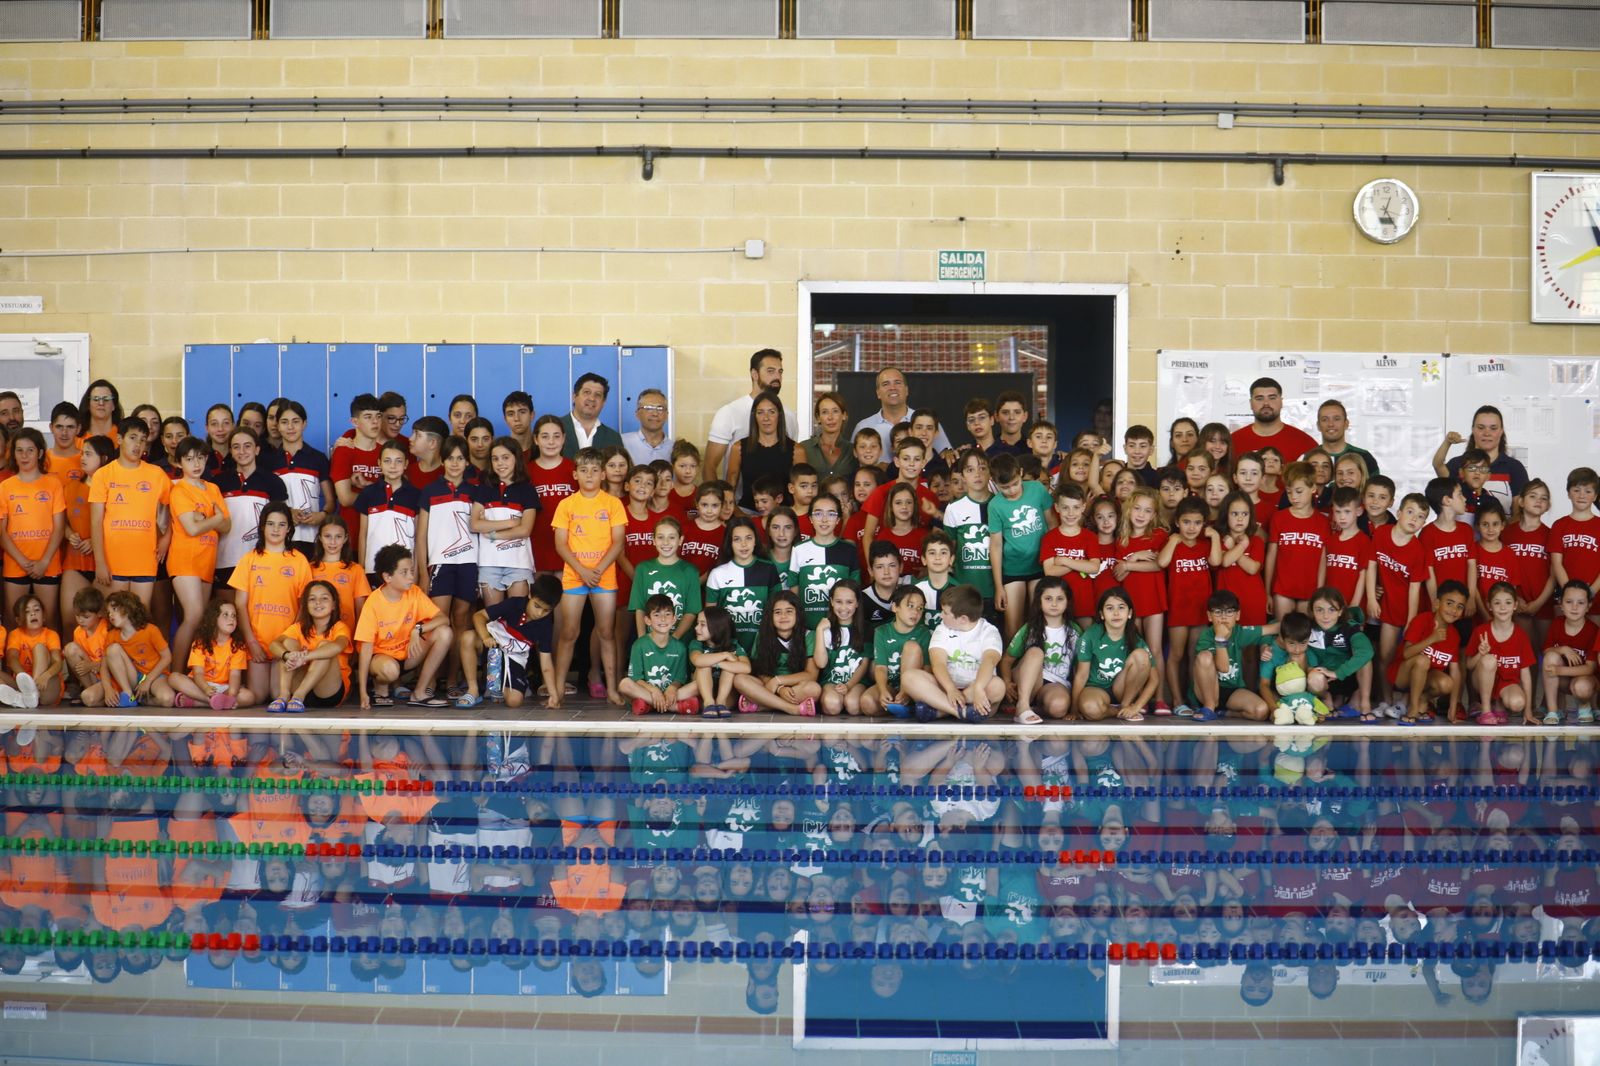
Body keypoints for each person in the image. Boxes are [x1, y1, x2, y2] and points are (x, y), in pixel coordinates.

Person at [549, 447, 627, 707]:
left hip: (604, 577)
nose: (590, 475)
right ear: (575, 474)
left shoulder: (613, 503)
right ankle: (557, 690)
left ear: (603, 474)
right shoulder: (566, 505)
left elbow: (617, 543)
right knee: (569, 632)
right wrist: (582, 571)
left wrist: (597, 570)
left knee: (606, 632)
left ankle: (613, 689)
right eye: (584, 470)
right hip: (574, 577)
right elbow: (561, 544)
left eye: (595, 470)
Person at [227, 501, 311, 699]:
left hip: (284, 643)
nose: (275, 529)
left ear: (289, 529)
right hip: (257, 641)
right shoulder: (250, 559)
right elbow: (240, 603)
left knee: (277, 695)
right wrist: (251, 641)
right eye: (271, 524)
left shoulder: (298, 560)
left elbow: (303, 605)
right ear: (262, 527)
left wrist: (289, 642)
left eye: (281, 524)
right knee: (257, 696)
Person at [354, 543, 453, 709]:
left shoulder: (414, 592)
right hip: (381, 660)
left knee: (445, 633)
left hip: (408, 655)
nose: (411, 577)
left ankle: (419, 693)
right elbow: (365, 649)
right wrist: (363, 692)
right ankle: (380, 686)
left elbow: (443, 619)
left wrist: (418, 628)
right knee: (390, 670)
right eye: (404, 572)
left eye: (411, 571)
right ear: (387, 577)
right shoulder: (373, 602)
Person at [87, 417, 171, 608]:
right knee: (113, 618)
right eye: (133, 437)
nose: (138, 444)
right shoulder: (103, 475)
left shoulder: (156, 474)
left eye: (142, 439)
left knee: (138, 618)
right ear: (119, 439)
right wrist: (100, 562)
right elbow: (95, 522)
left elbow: (176, 507)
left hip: (145, 561)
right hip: (113, 562)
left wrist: (166, 538)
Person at [900, 583, 1005, 722]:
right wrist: (950, 689)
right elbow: (938, 663)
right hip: (945, 688)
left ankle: (939, 711)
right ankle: (960, 712)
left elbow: (989, 661)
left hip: (975, 690)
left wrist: (979, 688)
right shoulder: (942, 628)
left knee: (998, 686)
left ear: (963, 619)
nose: (941, 615)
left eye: (945, 612)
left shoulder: (989, 631)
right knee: (909, 677)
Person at [457, 572, 561, 710]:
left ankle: (499, 686)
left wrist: (553, 695)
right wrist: (485, 637)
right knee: (468, 637)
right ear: (530, 595)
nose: (540, 614)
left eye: (547, 610)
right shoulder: (514, 603)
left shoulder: (546, 624)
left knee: (514, 701)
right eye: (537, 606)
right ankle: (473, 690)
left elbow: (546, 662)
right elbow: (479, 616)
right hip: (493, 645)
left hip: (515, 658)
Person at [0, 428, 66, 627]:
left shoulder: (53, 484)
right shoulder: (5, 487)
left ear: (39, 453)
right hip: (15, 563)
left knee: (49, 621)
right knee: (14, 621)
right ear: (13, 454)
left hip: (48, 563)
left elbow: (59, 527)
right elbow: (1, 531)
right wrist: (21, 560)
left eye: (30, 450)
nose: (24, 455)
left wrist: (44, 561)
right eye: (19, 450)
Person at [705, 348, 795, 479]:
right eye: (770, 371)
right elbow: (709, 466)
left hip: (781, 498)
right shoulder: (729, 412)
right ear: (754, 374)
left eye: (780, 372)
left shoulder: (789, 416)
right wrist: (717, 499)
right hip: (740, 498)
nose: (777, 377)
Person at [267, 579, 351, 713]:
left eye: (324, 598)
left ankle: (299, 696)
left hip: (328, 692)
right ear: (306, 605)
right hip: (300, 685)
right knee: (288, 643)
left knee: (325, 647)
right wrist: (287, 655)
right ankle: (283, 695)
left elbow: (338, 647)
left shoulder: (339, 627)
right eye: (312, 599)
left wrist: (305, 657)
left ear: (334, 604)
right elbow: (273, 645)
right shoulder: (298, 628)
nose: (318, 603)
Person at [1003, 576, 1077, 724]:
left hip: (1054, 684)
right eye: (1048, 599)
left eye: (1060, 599)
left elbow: (1079, 668)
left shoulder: (1074, 631)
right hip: (1028, 680)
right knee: (1036, 652)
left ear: (1067, 602)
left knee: (1058, 707)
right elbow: (1006, 660)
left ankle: (1037, 708)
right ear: (1039, 601)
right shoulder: (1030, 629)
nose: (1054, 604)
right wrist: (1006, 681)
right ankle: (1022, 707)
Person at [1431, 404, 1529, 512]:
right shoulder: (1456, 464)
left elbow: (1519, 514)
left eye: (1493, 428)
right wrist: (1447, 442)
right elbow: (1438, 465)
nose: (1487, 433)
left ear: (1501, 431)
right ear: (1473, 430)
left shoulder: (1515, 468)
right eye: (1481, 428)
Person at [270, 400, 334, 553]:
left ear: (304, 424)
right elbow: (266, 502)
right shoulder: (269, 461)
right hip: (279, 539)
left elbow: (331, 501)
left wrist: (322, 515)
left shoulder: (318, 458)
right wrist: (287, 512)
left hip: (313, 539)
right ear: (278, 426)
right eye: (284, 422)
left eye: (296, 421)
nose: (290, 427)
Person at [620, 593, 696, 716]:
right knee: (624, 684)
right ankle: (673, 707)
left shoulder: (680, 647)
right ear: (647, 620)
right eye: (657, 615)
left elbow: (680, 678)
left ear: (674, 619)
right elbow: (636, 679)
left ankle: (649, 705)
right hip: (648, 692)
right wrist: (654, 690)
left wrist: (672, 688)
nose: (663, 619)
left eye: (667, 614)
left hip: (670, 694)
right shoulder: (639, 645)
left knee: (698, 685)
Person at [852, 366, 952, 458]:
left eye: (898, 382)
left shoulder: (926, 421)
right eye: (886, 384)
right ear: (878, 393)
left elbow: (946, 454)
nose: (892, 388)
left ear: (907, 390)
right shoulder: (863, 426)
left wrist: (949, 452)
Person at [725, 389, 794, 514]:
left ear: (779, 415)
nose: (766, 418)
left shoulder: (796, 450)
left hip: (784, 515)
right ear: (754, 416)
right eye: (760, 412)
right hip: (747, 513)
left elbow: (800, 492)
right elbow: (729, 491)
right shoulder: (738, 447)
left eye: (771, 412)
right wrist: (741, 517)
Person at [1226, 378, 1317, 463]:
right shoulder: (1233, 442)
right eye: (1259, 398)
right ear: (1251, 403)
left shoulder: (1305, 443)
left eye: (1272, 398)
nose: (1266, 403)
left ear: (1281, 402)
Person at [558, 373, 625, 459]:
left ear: (603, 402)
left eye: (598, 395)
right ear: (574, 396)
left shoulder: (613, 437)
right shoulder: (555, 428)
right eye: (587, 392)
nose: (592, 398)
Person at [793, 391, 855, 483]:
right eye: (825, 412)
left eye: (835, 411)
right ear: (818, 418)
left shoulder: (853, 451)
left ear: (844, 415)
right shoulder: (803, 448)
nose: (830, 417)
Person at [1313, 399, 1379, 476]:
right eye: (1325, 419)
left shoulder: (1365, 458)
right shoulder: (1308, 459)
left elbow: (1376, 487)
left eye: (1336, 419)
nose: (1330, 424)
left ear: (1346, 424)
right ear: (1318, 426)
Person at [621, 388, 673, 466]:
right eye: (649, 408)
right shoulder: (623, 442)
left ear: (666, 415)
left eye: (660, 408)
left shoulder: (674, 448)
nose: (655, 414)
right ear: (637, 414)